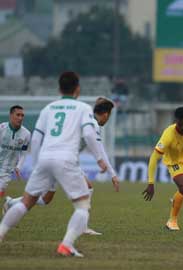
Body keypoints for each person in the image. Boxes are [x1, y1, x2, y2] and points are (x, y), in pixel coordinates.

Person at [0, 71, 108, 257]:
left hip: (44, 158)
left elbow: (35, 139)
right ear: (78, 89)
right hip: (65, 159)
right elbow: (90, 135)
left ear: (59, 88)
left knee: (27, 202)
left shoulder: (48, 109)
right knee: (82, 205)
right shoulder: (82, 108)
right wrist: (99, 158)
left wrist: (35, 163)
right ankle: (66, 244)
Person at [3, 97, 119, 236]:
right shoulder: (92, 124)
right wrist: (112, 173)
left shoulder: (81, 119)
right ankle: (80, 230)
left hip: (51, 155)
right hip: (64, 160)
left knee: (44, 199)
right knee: (86, 189)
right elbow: (100, 151)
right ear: (105, 114)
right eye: (109, 115)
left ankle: (11, 203)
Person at [0, 105, 30, 201]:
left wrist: (18, 167)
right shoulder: (1, 128)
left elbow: (24, 153)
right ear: (11, 115)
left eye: (22, 115)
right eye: (18, 115)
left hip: (7, 170)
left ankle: (9, 202)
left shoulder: (26, 134)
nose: (20, 118)